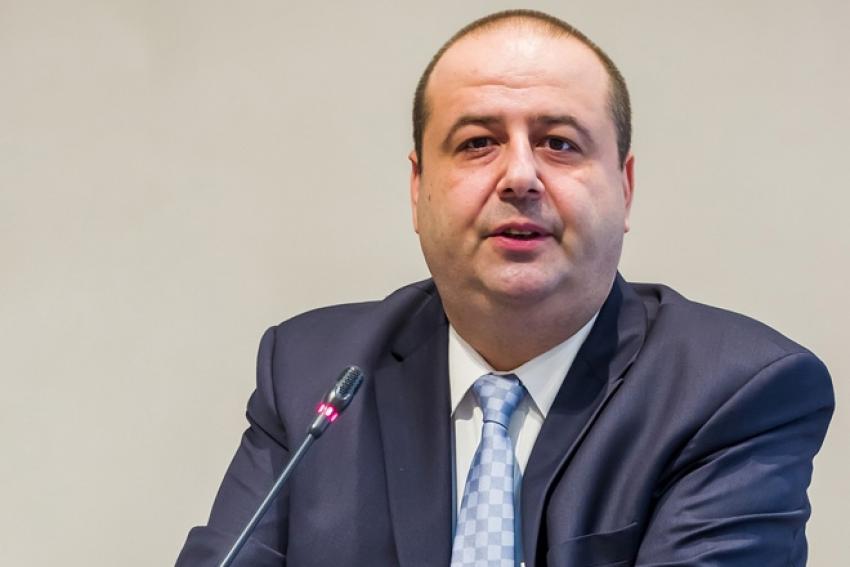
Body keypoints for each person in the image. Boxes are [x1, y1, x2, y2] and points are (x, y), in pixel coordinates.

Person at [176, 9, 834, 567]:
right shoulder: (314, 372)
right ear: (417, 188)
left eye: (559, 143)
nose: (520, 176)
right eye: (477, 143)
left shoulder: (735, 393)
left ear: (625, 187)